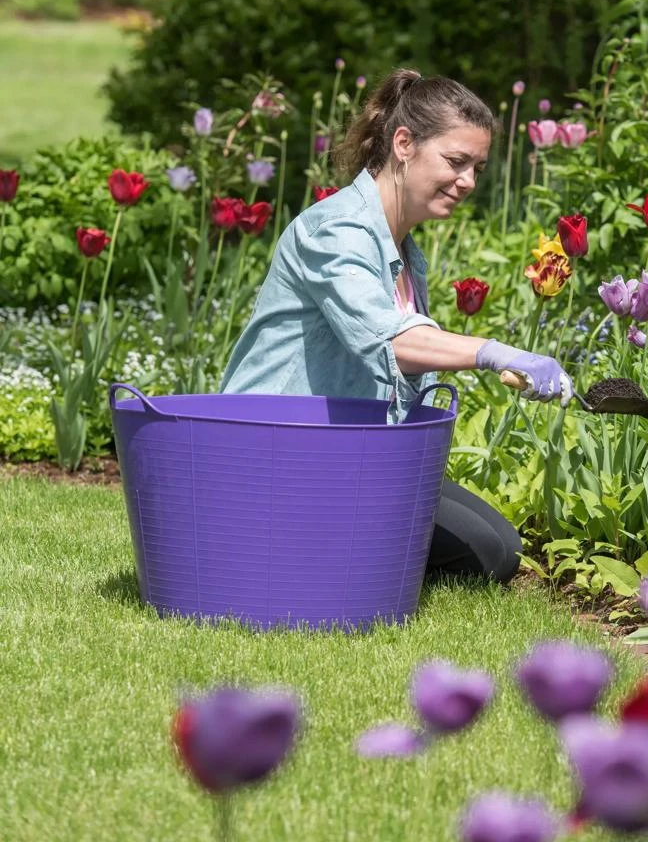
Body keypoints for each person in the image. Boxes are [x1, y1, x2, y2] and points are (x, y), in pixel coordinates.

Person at [221, 68, 574, 584]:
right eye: (456, 162)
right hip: (279, 451)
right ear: (403, 143)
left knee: (499, 547)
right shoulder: (336, 231)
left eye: (477, 166)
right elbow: (391, 340)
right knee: (480, 555)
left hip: (344, 447)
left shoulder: (405, 249)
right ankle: (299, 547)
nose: (469, 181)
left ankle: (349, 539)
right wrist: (495, 351)